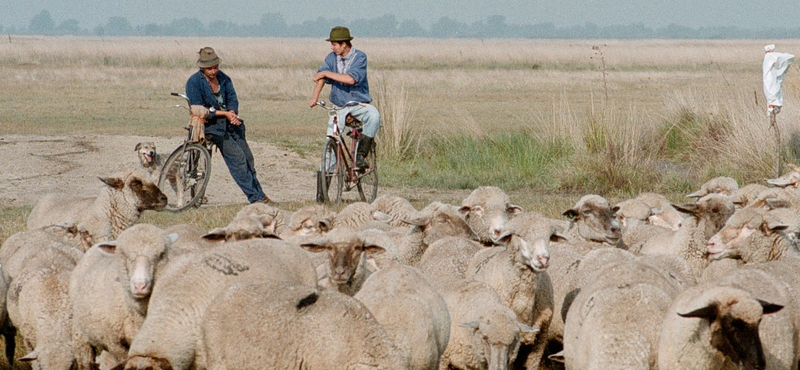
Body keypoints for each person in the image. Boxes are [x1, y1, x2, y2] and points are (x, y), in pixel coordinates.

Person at [186, 47, 272, 204]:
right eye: (209, 68)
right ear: (202, 68)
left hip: (229, 123)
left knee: (248, 159)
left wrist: (232, 112)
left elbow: (232, 98)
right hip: (210, 127)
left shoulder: (224, 79)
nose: (213, 71)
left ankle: (260, 194)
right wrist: (224, 114)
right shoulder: (194, 82)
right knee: (238, 159)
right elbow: (199, 109)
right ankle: (255, 198)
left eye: (215, 67)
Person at [308, 26, 381, 169]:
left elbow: (350, 79)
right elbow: (321, 77)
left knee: (374, 117)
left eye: (334, 44)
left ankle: (360, 155)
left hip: (359, 103)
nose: (332, 47)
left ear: (344, 44)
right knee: (330, 145)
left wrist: (327, 74)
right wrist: (314, 98)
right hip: (339, 106)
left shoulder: (360, 57)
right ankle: (323, 189)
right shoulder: (331, 58)